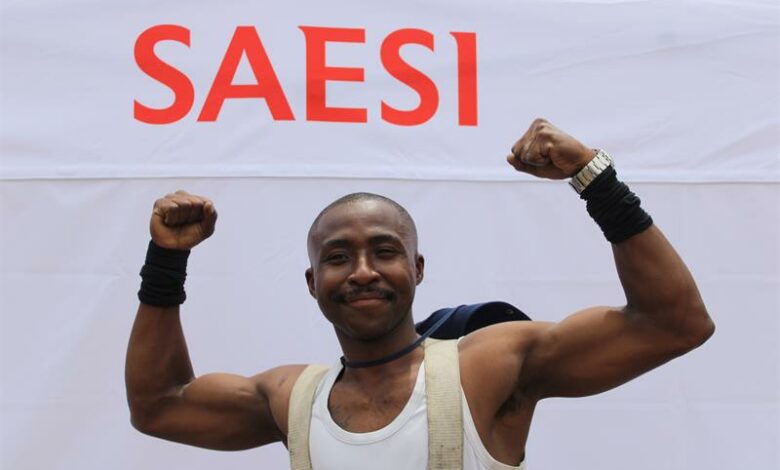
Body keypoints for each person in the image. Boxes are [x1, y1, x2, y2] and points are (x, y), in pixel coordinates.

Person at [125, 119, 714, 469]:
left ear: (418, 268)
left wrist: (595, 179)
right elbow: (159, 405)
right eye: (338, 257)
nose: (362, 272)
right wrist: (166, 262)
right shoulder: (291, 398)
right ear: (312, 283)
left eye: (384, 252)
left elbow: (674, 324)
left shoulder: (489, 363)